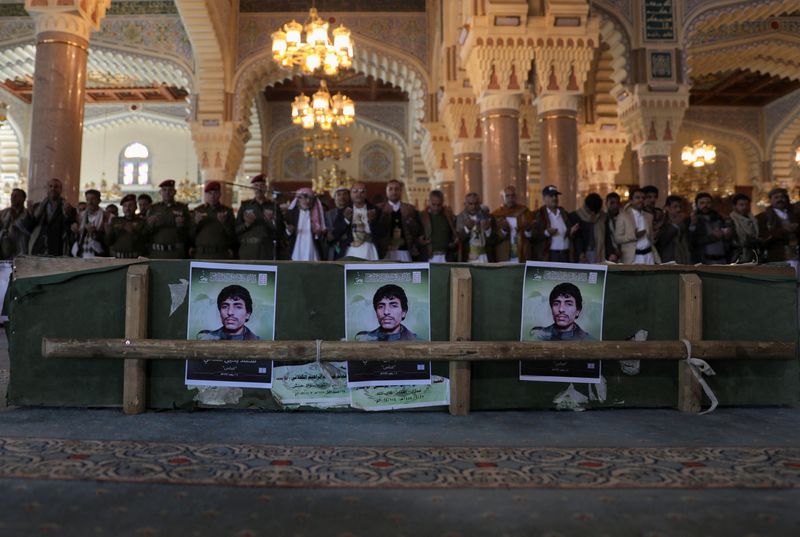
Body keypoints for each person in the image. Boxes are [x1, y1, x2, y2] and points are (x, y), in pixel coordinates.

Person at [236, 174, 284, 261]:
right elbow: (236, 230)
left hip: (266, 251)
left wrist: (270, 221)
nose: (258, 188)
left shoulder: (273, 206)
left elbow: (281, 231)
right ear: (252, 188)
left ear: (266, 188)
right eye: (256, 186)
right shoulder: (245, 206)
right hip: (248, 250)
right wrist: (247, 224)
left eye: (261, 186)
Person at [27, 178, 78, 256]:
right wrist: (30, 214)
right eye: (50, 186)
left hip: (58, 247)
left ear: (61, 190)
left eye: (56, 187)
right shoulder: (38, 207)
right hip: (40, 247)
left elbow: (70, 227)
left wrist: (68, 213)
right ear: (47, 189)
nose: (53, 189)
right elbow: (30, 227)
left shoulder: (68, 208)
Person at [333, 182, 382, 260]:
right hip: (350, 250)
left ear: (366, 194)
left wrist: (372, 221)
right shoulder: (343, 210)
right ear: (351, 194)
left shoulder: (375, 210)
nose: (359, 194)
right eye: (355, 191)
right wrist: (346, 220)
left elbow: (382, 233)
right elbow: (336, 233)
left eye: (362, 191)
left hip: (369, 249)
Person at [531, 185, 578, 263]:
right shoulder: (539, 214)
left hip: (565, 254)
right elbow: (534, 236)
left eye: (556, 196)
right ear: (544, 198)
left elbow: (568, 231)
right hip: (550, 255)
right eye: (551, 196)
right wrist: (546, 233)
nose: (554, 198)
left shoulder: (563, 213)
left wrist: (571, 231)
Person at [196, 284, 261, 340]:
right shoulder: (206, 339)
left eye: (238, 307)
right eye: (225, 307)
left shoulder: (261, 344)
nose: (230, 312)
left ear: (248, 314)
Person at [378, 180, 422, 261]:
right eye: (390, 189)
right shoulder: (380, 208)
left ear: (400, 191)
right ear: (386, 191)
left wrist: (409, 218)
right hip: (385, 252)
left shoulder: (410, 209)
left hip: (405, 251)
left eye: (396, 189)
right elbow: (376, 230)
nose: (394, 192)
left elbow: (417, 231)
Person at [614, 188, 661, 264]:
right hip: (633, 257)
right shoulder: (623, 216)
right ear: (631, 200)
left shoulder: (649, 216)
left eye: (643, 198)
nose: (641, 200)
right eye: (637, 198)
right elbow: (617, 238)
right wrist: (634, 235)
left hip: (649, 256)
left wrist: (655, 235)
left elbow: (651, 238)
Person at [146, 179, 189, 259]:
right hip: (157, 253)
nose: (167, 193)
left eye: (170, 190)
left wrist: (181, 226)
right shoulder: (154, 208)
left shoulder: (182, 208)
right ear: (160, 192)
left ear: (175, 192)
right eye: (164, 190)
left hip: (176, 253)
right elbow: (146, 232)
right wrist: (150, 225)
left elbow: (189, 231)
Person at [491, 185, 533, 263]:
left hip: (522, 254)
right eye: (507, 196)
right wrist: (504, 230)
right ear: (503, 198)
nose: (510, 198)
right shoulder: (497, 214)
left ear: (516, 197)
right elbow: (493, 238)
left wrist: (528, 229)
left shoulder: (524, 212)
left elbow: (532, 236)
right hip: (504, 255)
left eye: (513, 195)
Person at [757, 187, 798, 263]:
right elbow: (762, 238)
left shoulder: (795, 215)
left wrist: (796, 228)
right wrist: (782, 230)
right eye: (776, 197)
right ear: (770, 200)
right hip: (776, 256)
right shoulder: (763, 217)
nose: (780, 200)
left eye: (782, 197)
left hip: (796, 255)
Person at [689, 192, 732, 264]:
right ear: (697, 205)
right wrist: (713, 237)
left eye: (708, 203)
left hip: (722, 259)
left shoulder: (720, 218)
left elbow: (728, 236)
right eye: (702, 203)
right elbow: (692, 241)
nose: (705, 205)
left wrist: (727, 234)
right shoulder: (693, 220)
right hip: (704, 261)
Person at [285, 187, 326, 261]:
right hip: (295, 250)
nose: (308, 201)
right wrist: (289, 231)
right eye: (305, 198)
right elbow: (283, 234)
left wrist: (318, 233)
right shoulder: (291, 214)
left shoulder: (318, 214)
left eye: (311, 198)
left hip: (313, 250)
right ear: (298, 199)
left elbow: (323, 236)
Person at [106, 194, 150, 258]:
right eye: (125, 206)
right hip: (118, 258)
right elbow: (108, 242)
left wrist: (133, 232)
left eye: (130, 205)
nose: (127, 208)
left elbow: (146, 241)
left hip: (135, 258)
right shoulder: (115, 221)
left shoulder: (142, 222)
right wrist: (108, 232)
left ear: (136, 207)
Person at [419, 189, 457, 262]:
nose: (436, 208)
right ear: (429, 202)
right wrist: (420, 241)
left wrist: (454, 241)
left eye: (439, 205)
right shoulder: (422, 217)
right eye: (433, 204)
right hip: (429, 256)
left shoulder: (448, 216)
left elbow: (454, 233)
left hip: (446, 256)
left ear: (442, 203)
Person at [455, 192, 492, 263]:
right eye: (470, 204)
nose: (473, 206)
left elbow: (494, 239)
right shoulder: (460, 218)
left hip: (485, 257)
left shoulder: (487, 216)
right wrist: (467, 228)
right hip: (468, 257)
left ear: (480, 203)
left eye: (476, 203)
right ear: (465, 204)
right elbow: (457, 239)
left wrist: (487, 229)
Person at [72, 189, 110, 257]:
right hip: (81, 254)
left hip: (98, 255)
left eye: (93, 199)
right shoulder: (80, 216)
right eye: (88, 199)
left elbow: (109, 240)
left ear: (99, 201)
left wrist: (94, 232)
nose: (90, 202)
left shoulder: (107, 216)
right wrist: (75, 231)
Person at [570, 193, 606, 264]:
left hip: (599, 252)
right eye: (590, 211)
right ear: (586, 206)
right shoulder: (576, 216)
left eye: (595, 212)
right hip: (582, 254)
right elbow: (576, 237)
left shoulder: (603, 217)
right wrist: (580, 252)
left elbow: (607, 236)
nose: (592, 214)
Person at [656, 195, 691, 264]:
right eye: (675, 207)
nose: (678, 210)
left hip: (683, 260)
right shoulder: (661, 222)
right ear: (667, 208)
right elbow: (662, 241)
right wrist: (675, 225)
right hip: (668, 261)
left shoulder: (684, 222)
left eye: (680, 207)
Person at [728, 193, 760, 264]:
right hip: (738, 256)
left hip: (753, 256)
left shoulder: (753, 220)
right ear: (735, 206)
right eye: (741, 205)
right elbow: (730, 240)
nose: (745, 207)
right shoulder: (731, 220)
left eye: (747, 205)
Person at [0, 188, 30, 259]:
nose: (12, 198)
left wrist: (16, 221)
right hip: (5, 251)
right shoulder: (3, 213)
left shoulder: (27, 213)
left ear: (23, 199)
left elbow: (29, 230)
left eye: (16, 196)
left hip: (22, 250)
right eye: (12, 196)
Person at [324, 186, 351, 260]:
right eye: (339, 194)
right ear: (334, 198)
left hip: (350, 249)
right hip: (334, 250)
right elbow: (328, 235)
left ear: (349, 196)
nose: (342, 197)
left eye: (345, 194)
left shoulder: (354, 211)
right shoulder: (328, 214)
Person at [604, 192, 622, 262]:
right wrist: (610, 252)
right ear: (606, 204)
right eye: (612, 203)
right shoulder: (603, 219)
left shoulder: (623, 218)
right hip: (608, 255)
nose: (615, 206)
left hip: (623, 254)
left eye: (617, 203)